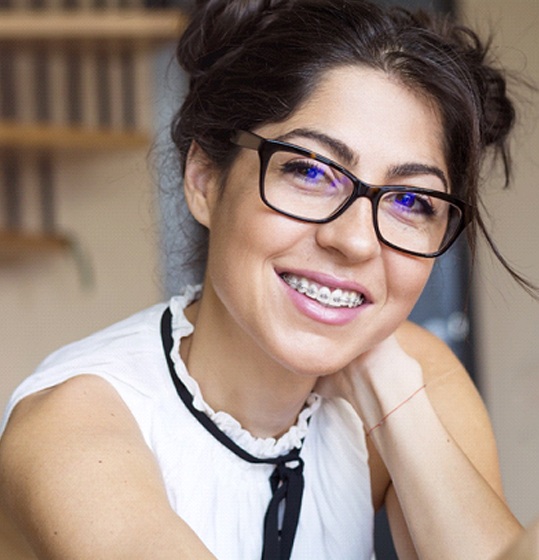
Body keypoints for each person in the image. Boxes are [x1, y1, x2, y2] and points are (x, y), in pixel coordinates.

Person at [0, 0, 533, 558]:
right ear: (205, 180)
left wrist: (388, 382)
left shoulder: (413, 374)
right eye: (308, 170)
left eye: (410, 200)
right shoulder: (75, 423)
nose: (353, 241)